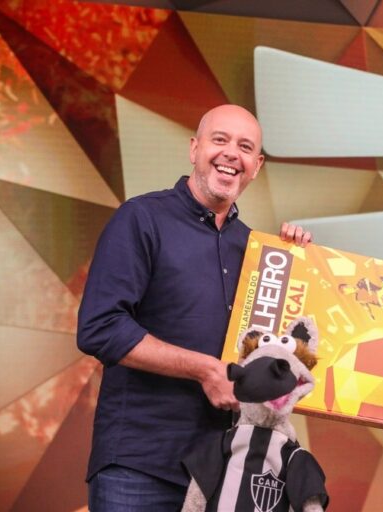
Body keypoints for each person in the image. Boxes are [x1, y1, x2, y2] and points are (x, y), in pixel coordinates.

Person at [77, 104, 313, 511]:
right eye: (220, 140)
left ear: (256, 166)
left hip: (220, 476)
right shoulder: (141, 218)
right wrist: (205, 370)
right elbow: (100, 327)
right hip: (138, 465)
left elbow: (279, 357)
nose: (231, 153)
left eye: (245, 147)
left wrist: (300, 262)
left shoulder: (259, 253)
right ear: (194, 149)